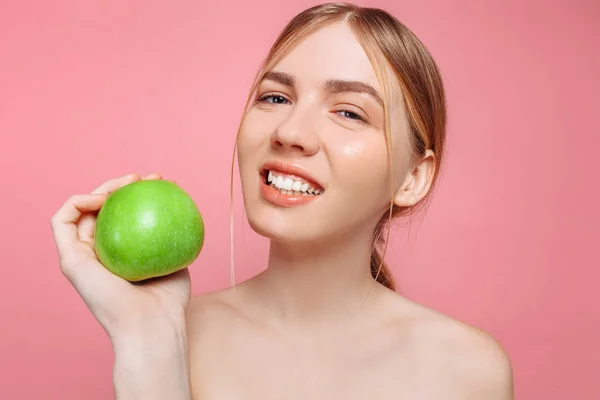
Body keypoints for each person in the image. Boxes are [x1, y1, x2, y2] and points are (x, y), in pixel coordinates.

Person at [50, 2, 514, 399]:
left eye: (349, 112)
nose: (289, 132)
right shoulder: (172, 334)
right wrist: (147, 340)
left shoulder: (467, 371)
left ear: (413, 177)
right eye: (274, 97)